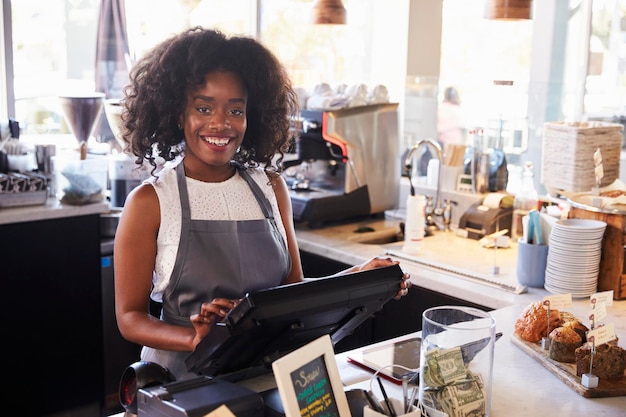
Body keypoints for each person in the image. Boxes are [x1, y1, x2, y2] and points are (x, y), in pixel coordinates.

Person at [114, 27, 412, 380]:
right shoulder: (150, 201)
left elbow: (293, 292)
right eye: (203, 107)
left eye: (235, 110)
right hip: (184, 378)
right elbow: (130, 317)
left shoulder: (270, 187)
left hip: (268, 370)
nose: (221, 123)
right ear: (178, 113)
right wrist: (193, 336)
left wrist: (358, 277)